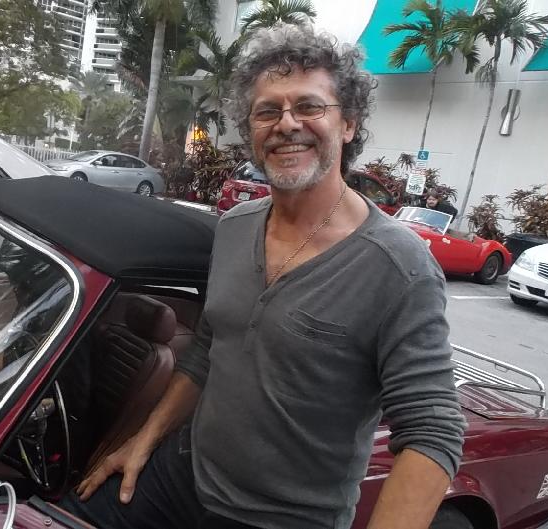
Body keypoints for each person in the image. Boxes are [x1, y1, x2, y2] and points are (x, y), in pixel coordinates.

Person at [62, 22, 466, 529]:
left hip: (284, 519)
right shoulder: (236, 226)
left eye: (309, 106)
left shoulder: (398, 264)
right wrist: (144, 440)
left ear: (348, 124)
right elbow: (210, 347)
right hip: (179, 476)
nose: (286, 124)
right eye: (267, 111)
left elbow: (432, 431)